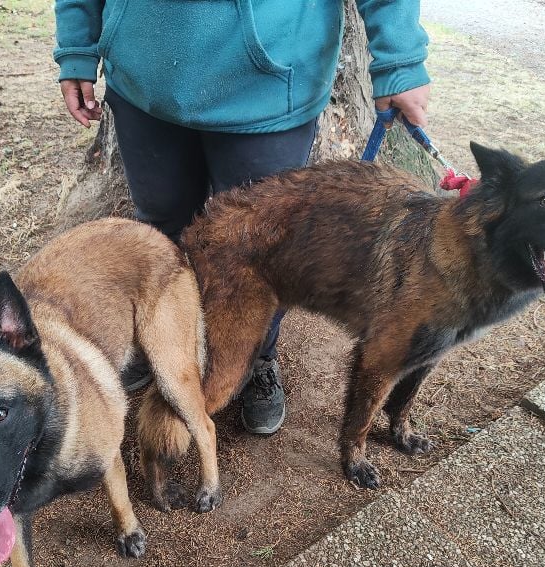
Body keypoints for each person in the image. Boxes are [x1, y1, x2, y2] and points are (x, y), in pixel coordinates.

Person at [53, 1, 431, 435]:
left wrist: (400, 59)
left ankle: (256, 355)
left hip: (269, 89)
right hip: (144, 82)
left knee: (264, 252)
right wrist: (78, 48)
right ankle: (162, 341)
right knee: (160, 228)